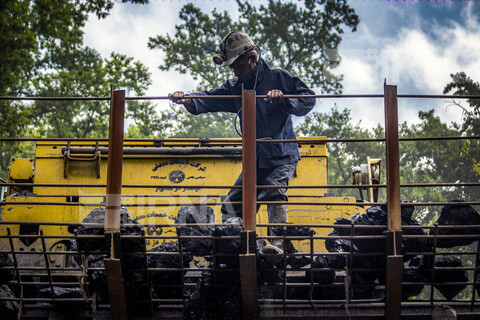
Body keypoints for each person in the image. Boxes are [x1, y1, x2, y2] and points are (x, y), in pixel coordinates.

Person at [169, 31, 315, 255]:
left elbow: (308, 98)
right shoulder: (236, 86)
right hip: (255, 158)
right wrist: (189, 99)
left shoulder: (278, 78)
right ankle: (244, 248)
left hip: (282, 155)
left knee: (274, 191)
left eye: (238, 66)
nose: (235, 71)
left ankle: (279, 246)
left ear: (253, 59)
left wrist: (285, 100)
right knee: (231, 205)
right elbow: (210, 97)